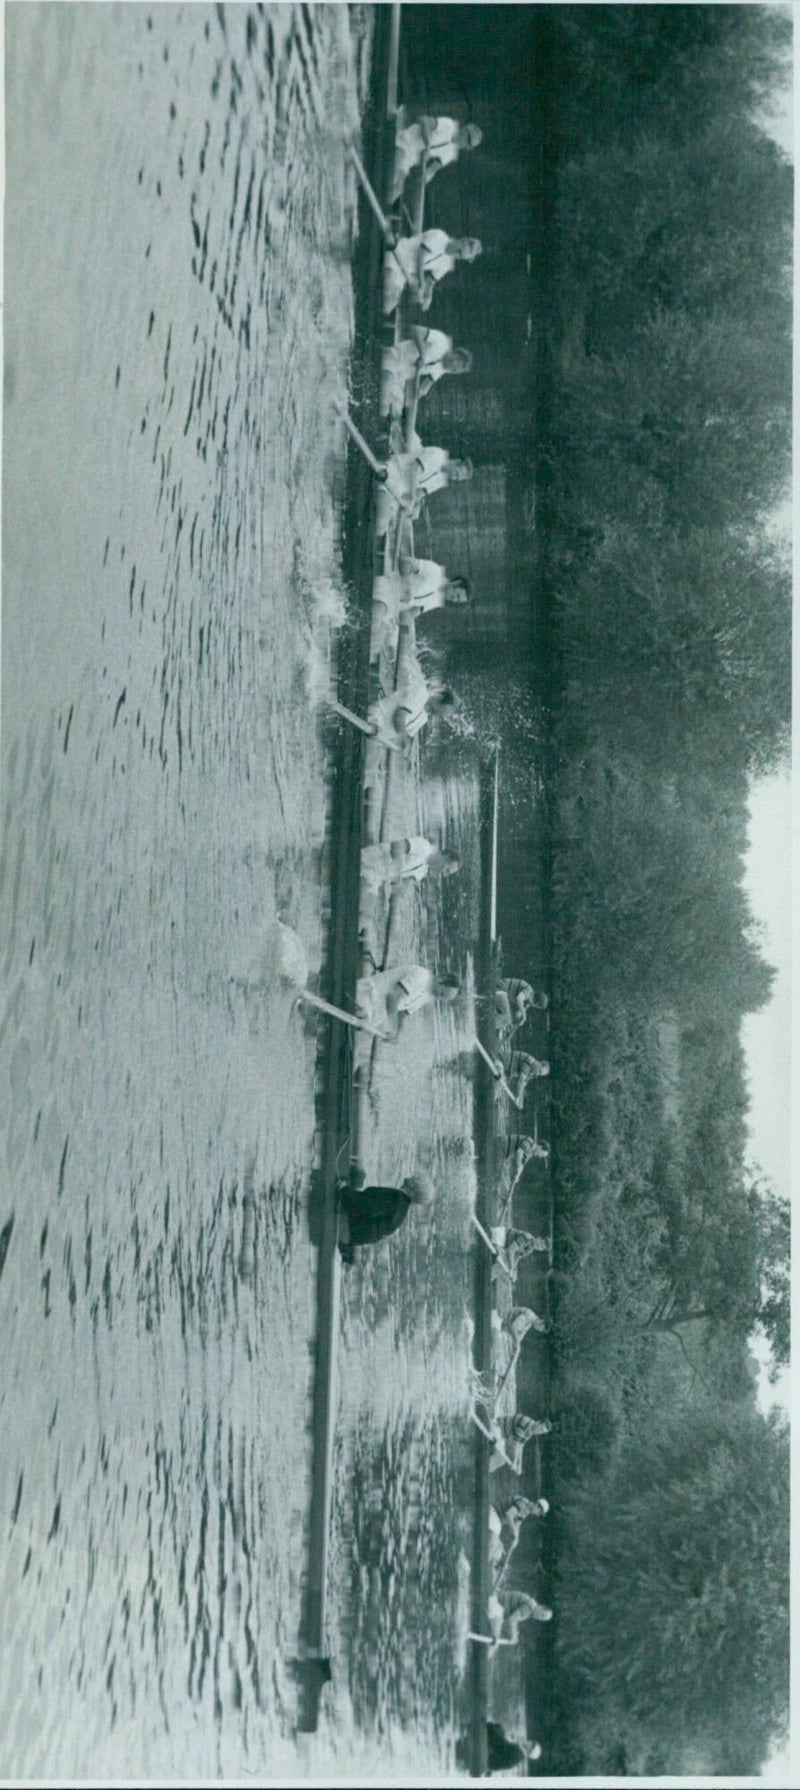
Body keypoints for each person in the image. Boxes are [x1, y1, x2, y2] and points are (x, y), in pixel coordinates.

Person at [374, 436, 473, 535]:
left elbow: (420, 493)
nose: (453, 477)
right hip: (391, 475)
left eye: (457, 478)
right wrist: (411, 495)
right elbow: (415, 470)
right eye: (456, 473)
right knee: (381, 525)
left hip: (396, 492)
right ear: (455, 462)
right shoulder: (437, 455)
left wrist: (416, 507)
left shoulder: (441, 480)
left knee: (388, 527)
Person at [370, 561, 470, 658]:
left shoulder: (438, 600)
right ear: (457, 583)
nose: (454, 599)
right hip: (388, 588)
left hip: (393, 606)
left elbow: (416, 610)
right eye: (457, 595)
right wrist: (406, 585)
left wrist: (409, 617)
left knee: (378, 644)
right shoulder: (435, 571)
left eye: (457, 600)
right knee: (377, 618)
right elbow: (406, 562)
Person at [337, 1169, 434, 1263]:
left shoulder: (396, 1199)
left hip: (345, 1224)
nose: (410, 1176)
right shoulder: (402, 1210)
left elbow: (368, 1206)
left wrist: (343, 1190)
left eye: (414, 1177)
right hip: (350, 1236)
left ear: (414, 1185)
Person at [383, 230, 483, 316]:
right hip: (398, 253)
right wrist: (422, 283)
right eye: (459, 250)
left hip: (404, 272)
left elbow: (431, 281)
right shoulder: (439, 236)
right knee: (388, 286)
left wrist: (428, 296)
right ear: (461, 240)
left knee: (388, 305)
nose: (456, 254)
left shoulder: (447, 264)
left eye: (460, 256)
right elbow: (420, 257)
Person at [380, 328, 473, 419]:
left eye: (454, 370)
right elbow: (415, 330)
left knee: (393, 412)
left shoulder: (441, 370)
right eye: (455, 363)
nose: (452, 369)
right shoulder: (441, 341)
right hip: (395, 357)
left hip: (399, 377)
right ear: (454, 353)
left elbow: (427, 384)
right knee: (385, 394)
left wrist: (422, 391)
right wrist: (422, 354)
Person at [391, 112, 483, 202]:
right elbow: (424, 120)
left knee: (396, 191)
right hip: (405, 142)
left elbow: (432, 169)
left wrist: (427, 175)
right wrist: (427, 144)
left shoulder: (451, 154)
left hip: (409, 160)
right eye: (468, 139)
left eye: (470, 145)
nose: (466, 144)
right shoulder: (449, 124)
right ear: (465, 130)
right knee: (393, 175)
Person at [356, 966, 460, 1033]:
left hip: (370, 1014)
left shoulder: (429, 996)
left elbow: (403, 1014)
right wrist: (391, 1027)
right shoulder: (421, 976)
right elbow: (392, 996)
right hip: (366, 996)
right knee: (360, 1015)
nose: (439, 998)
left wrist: (396, 1033)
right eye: (442, 993)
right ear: (441, 979)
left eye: (442, 998)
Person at [368, 676, 457, 750]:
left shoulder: (424, 718)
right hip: (373, 718)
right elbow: (399, 717)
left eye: (441, 714)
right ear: (439, 698)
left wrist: (406, 746)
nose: (438, 714)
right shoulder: (420, 693)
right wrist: (403, 740)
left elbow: (406, 735)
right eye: (440, 710)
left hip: (377, 734)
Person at [361, 835, 459, 892]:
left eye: (447, 873)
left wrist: (400, 889)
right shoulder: (424, 847)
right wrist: (397, 870)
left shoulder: (424, 871)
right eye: (447, 869)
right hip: (372, 859)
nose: (444, 874)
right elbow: (398, 845)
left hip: (374, 877)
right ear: (445, 856)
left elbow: (406, 883)